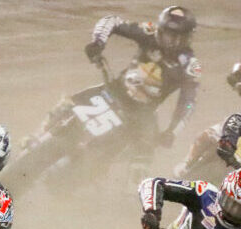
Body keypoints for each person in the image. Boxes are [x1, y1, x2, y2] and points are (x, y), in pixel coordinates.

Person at [83, 6, 203, 146]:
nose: (175, 43)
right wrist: (98, 43)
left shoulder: (191, 65)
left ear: (189, 37)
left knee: (142, 157)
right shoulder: (149, 32)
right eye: (171, 36)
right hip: (113, 90)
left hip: (142, 114)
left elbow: (188, 103)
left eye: (181, 38)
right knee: (65, 107)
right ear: (161, 30)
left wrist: (172, 131)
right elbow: (112, 21)